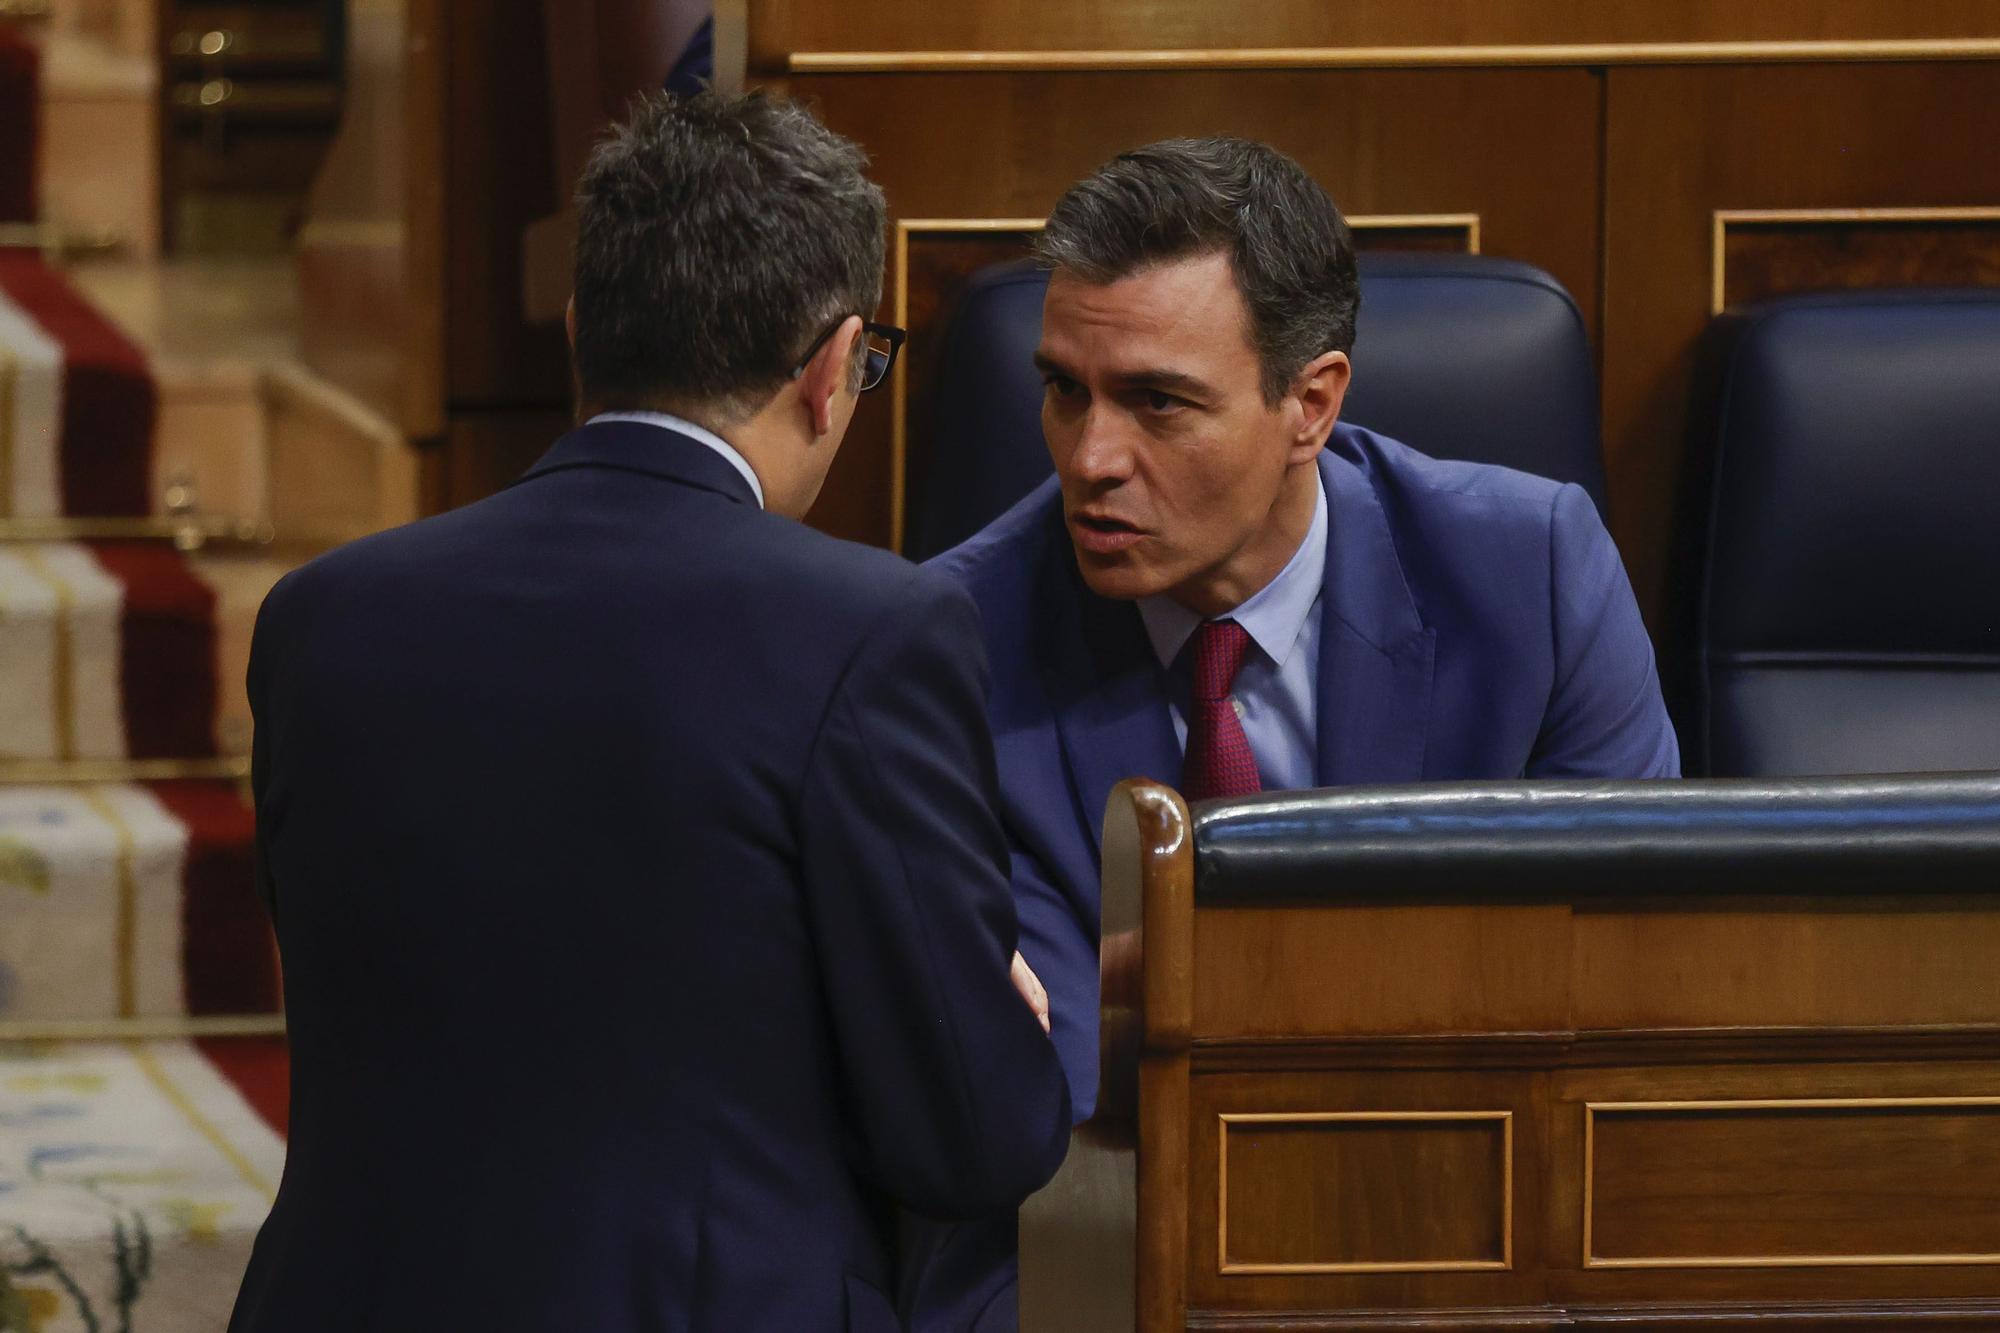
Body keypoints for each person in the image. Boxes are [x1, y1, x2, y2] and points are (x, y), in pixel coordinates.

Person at [229, 91, 1069, 1333]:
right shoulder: (867, 631)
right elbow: (972, 1138)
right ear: (836, 367)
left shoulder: (321, 617)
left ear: (579, 331)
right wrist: (993, 1010)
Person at [915, 136, 1679, 1330]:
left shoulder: (1528, 578)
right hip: (1101, 1265)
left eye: (1156, 401)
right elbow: (1061, 1124)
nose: (1088, 459)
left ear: (1309, 403)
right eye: (1064, 389)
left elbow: (1632, 1004)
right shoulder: (956, 645)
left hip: (1474, 1251)